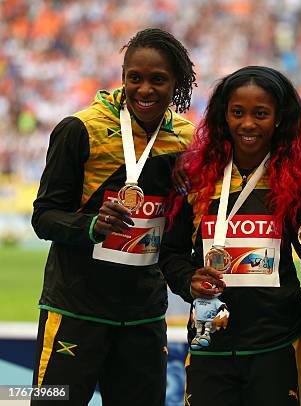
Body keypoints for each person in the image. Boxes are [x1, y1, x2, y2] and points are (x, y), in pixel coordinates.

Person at [30, 28, 196, 405]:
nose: (144, 89)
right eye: (134, 78)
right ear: (122, 76)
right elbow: (44, 217)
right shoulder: (80, 129)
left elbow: (182, 225)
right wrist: (91, 225)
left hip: (142, 314)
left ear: (177, 84)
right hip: (75, 309)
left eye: (158, 80)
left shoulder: (187, 140)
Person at [160, 66, 301, 406]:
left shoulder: (297, 179)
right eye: (237, 112)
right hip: (210, 342)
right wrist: (189, 280)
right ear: (223, 116)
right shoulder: (198, 177)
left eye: (261, 114)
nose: (247, 124)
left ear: (279, 118)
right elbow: (171, 254)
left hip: (277, 343)